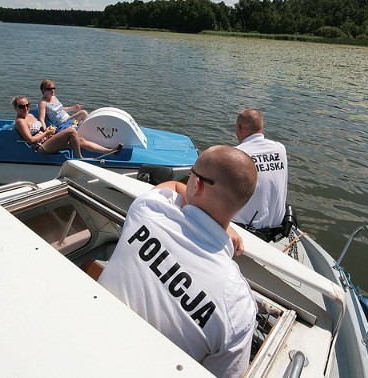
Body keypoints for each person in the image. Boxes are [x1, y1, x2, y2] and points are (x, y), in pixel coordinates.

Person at [98, 146, 257, 378]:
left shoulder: (148, 209)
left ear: (198, 185)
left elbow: (171, 187)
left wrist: (194, 196)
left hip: (89, 334)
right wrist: (224, 223)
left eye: (191, 174)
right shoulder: (238, 305)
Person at [232, 109, 288, 238]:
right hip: (277, 227)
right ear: (261, 127)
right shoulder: (280, 148)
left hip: (247, 231)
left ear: (239, 128)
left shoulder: (235, 154)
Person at [12, 96, 120, 158]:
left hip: (47, 139)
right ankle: (79, 159)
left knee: (80, 140)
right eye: (22, 106)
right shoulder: (20, 122)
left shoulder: (30, 115)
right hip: (41, 147)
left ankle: (109, 152)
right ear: (16, 108)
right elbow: (30, 140)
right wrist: (46, 133)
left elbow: (40, 130)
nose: (26, 108)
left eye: (28, 105)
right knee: (71, 131)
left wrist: (48, 130)